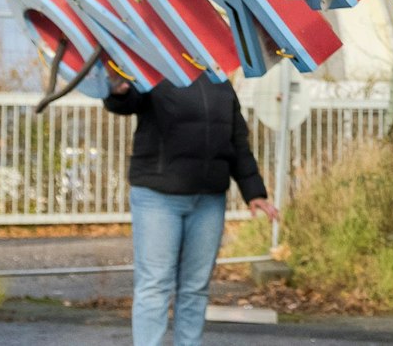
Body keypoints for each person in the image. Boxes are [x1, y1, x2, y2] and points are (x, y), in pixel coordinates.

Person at [106, 76, 281, 346]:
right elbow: (127, 102)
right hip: (158, 198)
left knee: (195, 288)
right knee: (155, 286)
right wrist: (117, 91)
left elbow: (237, 141)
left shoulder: (221, 83)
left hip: (208, 201)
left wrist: (254, 192)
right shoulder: (155, 72)